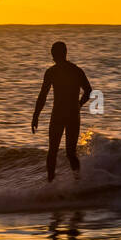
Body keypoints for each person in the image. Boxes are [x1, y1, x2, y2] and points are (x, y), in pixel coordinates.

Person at [31, 41, 92, 181]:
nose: (52, 57)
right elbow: (88, 91)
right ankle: (78, 182)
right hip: (72, 115)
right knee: (70, 153)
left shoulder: (52, 72)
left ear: (57, 54)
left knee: (53, 151)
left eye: (53, 54)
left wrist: (36, 116)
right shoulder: (76, 70)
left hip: (59, 115)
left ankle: (51, 184)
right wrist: (79, 104)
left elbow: (42, 96)